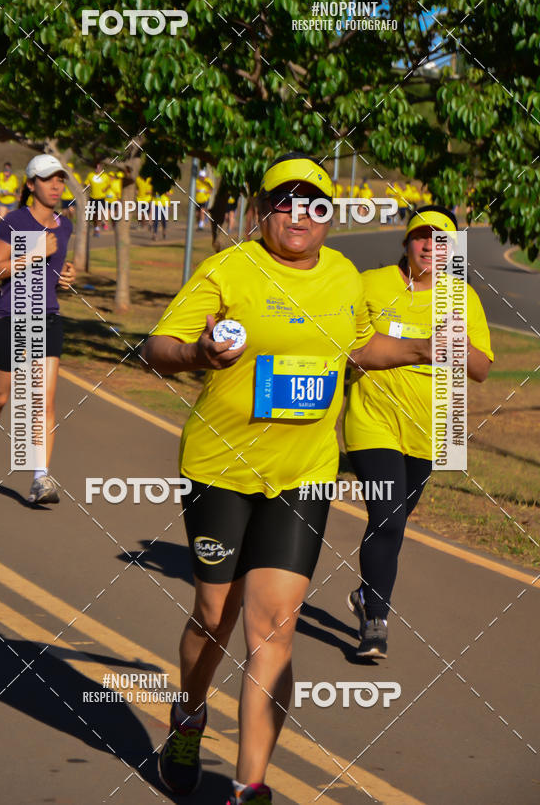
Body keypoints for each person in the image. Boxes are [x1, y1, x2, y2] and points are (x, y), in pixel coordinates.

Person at [145, 153, 438, 805]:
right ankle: (189, 715)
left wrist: (420, 349)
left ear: (330, 217)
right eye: (286, 201)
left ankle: (250, 785)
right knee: (214, 617)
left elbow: (358, 347)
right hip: (220, 471)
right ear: (261, 212)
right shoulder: (229, 269)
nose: (300, 214)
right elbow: (157, 346)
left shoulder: (343, 276)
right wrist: (197, 352)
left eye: (315, 204)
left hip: (304, 477)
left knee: (273, 627)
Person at [343, 205, 494, 658]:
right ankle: (376, 622)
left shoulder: (462, 297)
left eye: (441, 240)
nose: (430, 246)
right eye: (421, 236)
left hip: (434, 428)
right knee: (386, 516)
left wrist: (458, 343)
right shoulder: (370, 284)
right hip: (373, 421)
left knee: (396, 523)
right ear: (406, 242)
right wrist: (416, 349)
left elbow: (482, 368)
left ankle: (366, 593)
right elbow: (351, 352)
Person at [0, 154, 75, 505]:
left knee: (43, 400)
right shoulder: (14, 221)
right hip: (8, 319)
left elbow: (52, 279)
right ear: (31, 185)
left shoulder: (65, 224)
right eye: (47, 179)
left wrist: (67, 279)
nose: (56, 185)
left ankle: (40, 477)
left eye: (60, 178)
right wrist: (34, 251)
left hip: (47, 319)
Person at [84, 162, 111, 235]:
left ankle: (98, 228)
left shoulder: (105, 176)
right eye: (96, 167)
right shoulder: (90, 175)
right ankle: (97, 226)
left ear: (101, 168)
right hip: (92, 197)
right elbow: (86, 184)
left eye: (99, 167)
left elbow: (109, 184)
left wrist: (105, 189)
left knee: (99, 213)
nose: (97, 169)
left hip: (101, 197)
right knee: (94, 214)